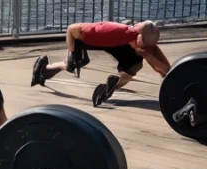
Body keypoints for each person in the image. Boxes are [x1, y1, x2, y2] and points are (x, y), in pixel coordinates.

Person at [32, 20, 171, 105]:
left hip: (112, 42)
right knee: (72, 64)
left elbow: (166, 72)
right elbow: (71, 29)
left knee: (134, 66)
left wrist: (146, 54)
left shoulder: (141, 42)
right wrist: (73, 54)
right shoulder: (108, 31)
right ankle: (43, 69)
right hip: (87, 40)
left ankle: (113, 83)